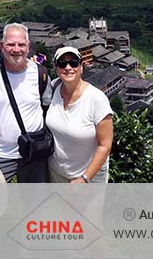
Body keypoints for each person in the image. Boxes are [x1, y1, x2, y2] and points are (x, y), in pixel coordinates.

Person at [0, 23, 50, 183]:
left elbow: (48, 110)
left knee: (35, 203)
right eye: (10, 44)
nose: (16, 49)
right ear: (2, 46)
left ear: (28, 46)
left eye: (21, 44)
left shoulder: (40, 74)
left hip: (33, 152)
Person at [45, 46, 114, 183]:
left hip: (88, 178)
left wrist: (85, 178)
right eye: (62, 64)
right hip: (55, 173)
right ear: (56, 68)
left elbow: (105, 145)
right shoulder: (52, 88)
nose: (68, 67)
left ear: (81, 67)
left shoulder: (96, 99)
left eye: (74, 63)